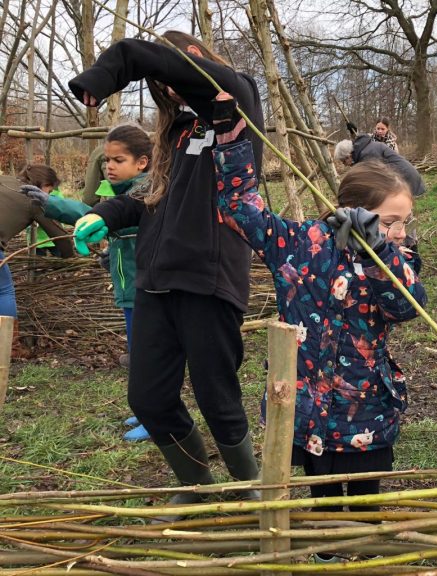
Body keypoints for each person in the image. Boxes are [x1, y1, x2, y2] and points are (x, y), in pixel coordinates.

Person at [68, 30, 265, 514]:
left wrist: (117, 66)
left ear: (194, 61)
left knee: (216, 396)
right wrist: (105, 215)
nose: (169, 88)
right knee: (149, 398)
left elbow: (192, 74)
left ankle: (249, 491)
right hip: (155, 280)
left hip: (209, 278)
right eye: (161, 83)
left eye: (171, 73)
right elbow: (149, 198)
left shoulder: (236, 103)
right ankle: (195, 483)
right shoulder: (176, 134)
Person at [213, 113, 425, 558]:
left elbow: (406, 307)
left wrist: (381, 250)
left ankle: (366, 547)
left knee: (367, 497)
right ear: (354, 210)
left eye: (405, 221)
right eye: (391, 221)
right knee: (320, 493)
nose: (402, 231)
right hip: (308, 407)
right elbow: (238, 207)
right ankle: (326, 550)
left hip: (366, 404)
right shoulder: (298, 243)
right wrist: (231, 137)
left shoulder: (396, 258)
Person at [21, 125, 154, 441]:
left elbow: (91, 214)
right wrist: (111, 252)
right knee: (139, 353)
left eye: (118, 160)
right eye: (106, 161)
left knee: (148, 356)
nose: (109, 167)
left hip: (145, 292)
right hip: (130, 290)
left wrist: (52, 204)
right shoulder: (125, 193)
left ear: (142, 163)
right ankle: (150, 410)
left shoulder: (143, 193)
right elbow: (121, 233)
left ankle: (157, 417)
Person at [0, 167, 75, 356]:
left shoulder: (5, 180)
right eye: (49, 191)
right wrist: (70, 257)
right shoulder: (34, 200)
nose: (48, 196)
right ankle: (11, 347)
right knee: (4, 290)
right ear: (45, 186)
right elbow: (60, 236)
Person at [334, 134, 425, 197]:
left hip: (409, 184)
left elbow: (376, 182)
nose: (345, 165)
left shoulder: (367, 155)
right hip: (409, 179)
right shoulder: (365, 148)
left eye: (343, 162)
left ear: (348, 156)